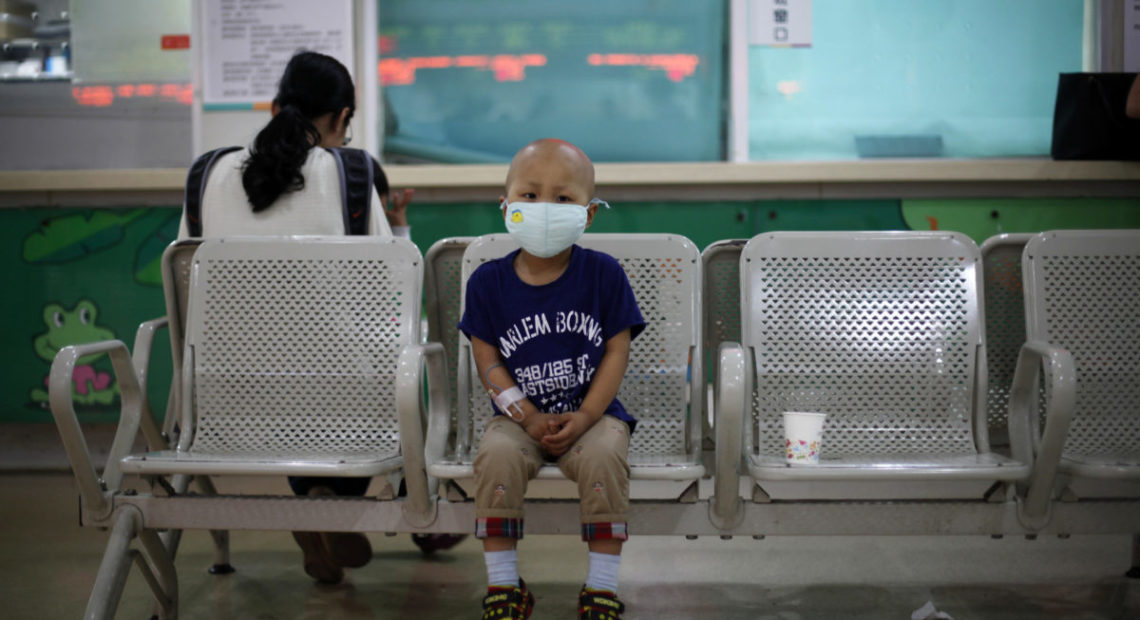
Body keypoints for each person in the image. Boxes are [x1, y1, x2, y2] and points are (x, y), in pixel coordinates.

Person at [176, 51, 454, 585]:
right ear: (342, 117)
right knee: (375, 360)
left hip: (224, 398)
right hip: (340, 398)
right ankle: (330, 503)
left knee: (282, 363)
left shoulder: (206, 173)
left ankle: (315, 505)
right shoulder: (351, 173)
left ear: (277, 107)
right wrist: (398, 230)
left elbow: (187, 283)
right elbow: (392, 295)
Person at [458, 139, 645, 620]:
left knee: (606, 456)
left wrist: (586, 417)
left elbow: (616, 349)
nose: (545, 208)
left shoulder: (604, 274)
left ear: (589, 214)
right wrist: (527, 415)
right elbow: (487, 359)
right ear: (505, 206)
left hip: (593, 415)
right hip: (517, 418)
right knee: (496, 457)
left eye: (563, 199)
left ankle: (601, 587)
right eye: (529, 194)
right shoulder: (487, 282)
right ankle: (503, 584)